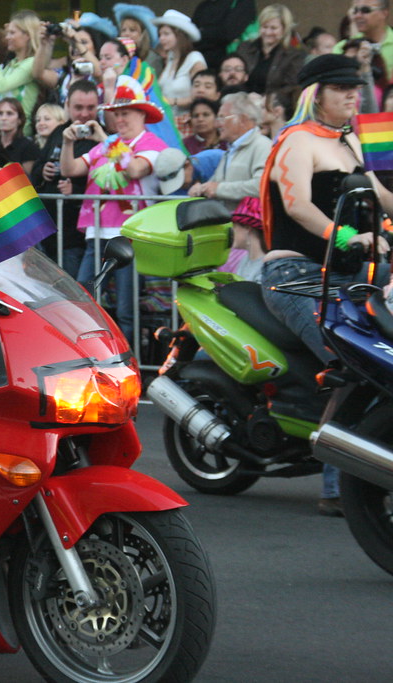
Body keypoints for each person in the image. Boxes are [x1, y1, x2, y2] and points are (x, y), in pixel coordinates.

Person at [259, 55, 393, 516]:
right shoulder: (297, 140)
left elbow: (383, 197)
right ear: (316, 94)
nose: (354, 96)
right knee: (355, 364)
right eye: (342, 89)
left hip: (353, 277)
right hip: (296, 275)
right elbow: (297, 207)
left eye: (356, 89)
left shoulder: (353, 140)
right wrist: (351, 237)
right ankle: (337, 487)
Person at [60, 80, 167, 342]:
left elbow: (135, 170)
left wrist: (107, 141)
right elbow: (71, 170)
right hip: (96, 233)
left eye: (125, 113)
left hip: (129, 235)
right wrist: (66, 142)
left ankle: (130, 365)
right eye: (116, 114)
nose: (119, 119)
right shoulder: (109, 143)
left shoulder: (152, 143)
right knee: (84, 300)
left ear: (141, 114)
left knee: (126, 310)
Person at [31, 79, 100, 278]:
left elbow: (107, 182)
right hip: (48, 232)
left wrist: (76, 191)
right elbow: (36, 167)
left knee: (75, 296)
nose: (85, 114)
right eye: (78, 107)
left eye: (91, 108)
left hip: (75, 236)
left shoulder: (104, 137)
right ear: (67, 106)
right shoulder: (58, 133)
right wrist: (42, 171)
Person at [189, 91, 271, 210]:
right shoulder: (231, 150)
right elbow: (214, 185)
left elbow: (262, 186)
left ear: (242, 119)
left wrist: (219, 189)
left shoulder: (262, 146)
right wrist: (200, 188)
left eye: (222, 117)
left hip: (251, 226)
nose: (217, 124)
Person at [0, 11, 40, 134]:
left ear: (27, 35)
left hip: (20, 135)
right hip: (2, 134)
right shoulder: (11, 65)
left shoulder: (31, 63)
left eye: (12, 33)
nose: (7, 37)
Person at [234, 4, 307, 96]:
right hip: (240, 100)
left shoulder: (295, 55)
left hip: (272, 105)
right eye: (264, 27)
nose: (268, 32)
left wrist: (266, 100)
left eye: (273, 28)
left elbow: (291, 87)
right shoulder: (244, 48)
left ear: (284, 29)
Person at [154, 10, 207, 117]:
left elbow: (201, 95)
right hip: (168, 120)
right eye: (160, 34)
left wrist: (172, 101)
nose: (161, 39)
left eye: (166, 34)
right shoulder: (170, 60)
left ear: (180, 35)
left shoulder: (194, 58)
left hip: (186, 121)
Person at [334, 0, 393, 86]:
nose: (357, 16)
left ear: (384, 13)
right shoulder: (342, 48)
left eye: (365, 10)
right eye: (355, 10)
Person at [191, 0, 257, 69]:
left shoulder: (242, 2)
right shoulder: (203, 6)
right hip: (201, 61)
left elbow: (229, 33)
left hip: (228, 63)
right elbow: (192, 36)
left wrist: (202, 33)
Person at [0, 97, 39, 175]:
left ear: (19, 120)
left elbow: (29, 179)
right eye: (0, 113)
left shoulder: (28, 147)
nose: (3, 118)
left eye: (9, 113)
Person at [114, 3, 164, 74]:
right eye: (123, 30)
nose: (126, 34)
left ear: (142, 34)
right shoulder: (117, 56)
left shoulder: (153, 58)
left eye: (132, 30)